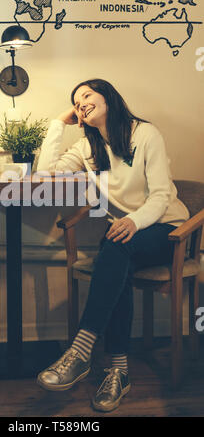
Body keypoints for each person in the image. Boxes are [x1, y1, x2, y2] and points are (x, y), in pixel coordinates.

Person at [36, 79, 189, 413]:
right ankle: (117, 371)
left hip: (166, 228)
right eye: (76, 103)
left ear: (109, 96)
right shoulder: (86, 148)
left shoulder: (145, 134)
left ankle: (80, 353)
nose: (81, 104)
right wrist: (59, 123)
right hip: (126, 237)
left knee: (115, 245)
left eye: (87, 95)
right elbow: (45, 174)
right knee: (116, 254)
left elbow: (162, 194)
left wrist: (134, 221)